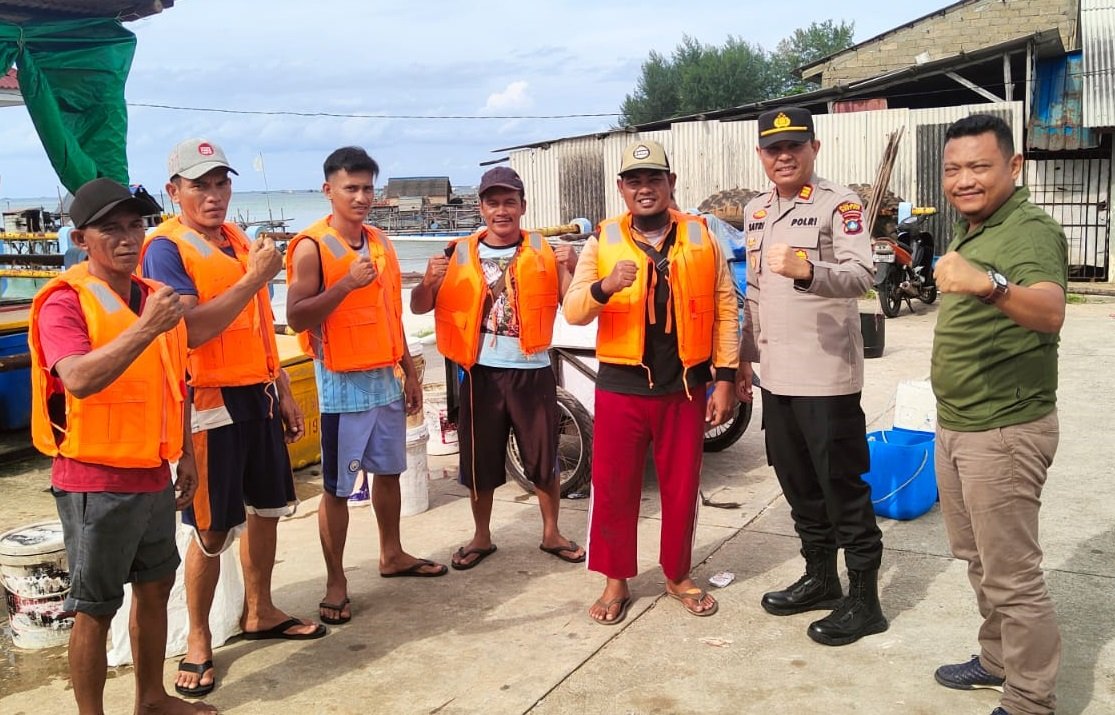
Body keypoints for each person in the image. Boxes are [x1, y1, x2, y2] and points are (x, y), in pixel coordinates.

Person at [141, 138, 324, 699]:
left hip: (258, 394)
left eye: (221, 183)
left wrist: (283, 390)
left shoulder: (239, 241)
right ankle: (198, 639)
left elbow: (258, 325)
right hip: (206, 401)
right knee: (211, 525)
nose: (214, 195)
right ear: (174, 192)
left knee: (267, 508)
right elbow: (190, 329)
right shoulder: (165, 249)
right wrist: (254, 278)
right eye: (200, 185)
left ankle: (261, 609)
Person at [29, 178, 216, 714]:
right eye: (110, 228)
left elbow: (175, 380)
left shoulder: (156, 297)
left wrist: (183, 454)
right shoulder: (64, 302)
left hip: (154, 471)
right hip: (95, 481)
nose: (128, 237)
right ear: (80, 238)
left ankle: (151, 699)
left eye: (136, 224)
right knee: (95, 606)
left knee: (156, 587)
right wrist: (144, 329)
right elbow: (80, 378)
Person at [564, 141, 738, 624]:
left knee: (682, 487)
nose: (645, 189)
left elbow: (726, 308)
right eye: (634, 181)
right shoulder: (602, 241)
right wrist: (605, 286)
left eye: (654, 179)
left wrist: (724, 380)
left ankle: (678, 573)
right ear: (621, 188)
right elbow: (574, 310)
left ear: (671, 183)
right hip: (621, 387)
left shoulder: (702, 236)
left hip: (684, 387)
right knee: (614, 486)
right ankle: (615, 579)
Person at [931, 114, 1066, 715]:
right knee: (979, 559)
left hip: (1005, 431)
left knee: (1013, 575)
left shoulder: (1030, 230)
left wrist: (988, 285)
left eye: (979, 166)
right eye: (954, 169)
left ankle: (1031, 698)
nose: (964, 180)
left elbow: (1050, 311)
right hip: (961, 424)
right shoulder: (974, 227)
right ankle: (995, 661)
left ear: (1014, 168)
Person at [736, 106, 887, 646]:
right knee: (797, 483)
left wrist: (808, 270)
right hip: (776, 376)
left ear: (813, 149)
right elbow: (753, 294)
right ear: (760, 154)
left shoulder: (838, 204)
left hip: (825, 378)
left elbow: (863, 276)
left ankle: (865, 600)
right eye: (773, 148)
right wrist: (744, 361)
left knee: (842, 487)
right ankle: (821, 578)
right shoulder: (755, 211)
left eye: (794, 146)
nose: (783, 156)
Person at [285, 147, 448, 625]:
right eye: (350, 188)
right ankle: (336, 580)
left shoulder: (379, 241)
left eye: (367, 188)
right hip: (340, 387)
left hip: (385, 378)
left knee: (389, 472)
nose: (360, 197)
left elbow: (389, 313)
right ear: (328, 190)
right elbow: (296, 313)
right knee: (337, 487)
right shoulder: (312, 245)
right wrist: (343, 286)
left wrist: (409, 370)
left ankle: (391, 552)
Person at [410, 166, 585, 570]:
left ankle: (551, 532)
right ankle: (481, 536)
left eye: (510, 202)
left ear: (522, 206)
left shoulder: (546, 251)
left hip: (533, 367)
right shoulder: (456, 253)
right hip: (478, 373)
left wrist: (574, 266)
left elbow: (573, 306)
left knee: (543, 455)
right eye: (493, 202)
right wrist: (428, 282)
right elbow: (420, 306)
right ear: (481, 207)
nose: (501, 210)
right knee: (479, 458)